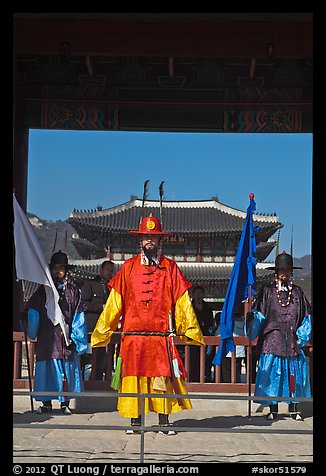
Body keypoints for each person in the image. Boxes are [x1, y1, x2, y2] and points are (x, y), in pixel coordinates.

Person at [91, 214, 205, 435]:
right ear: (140, 240)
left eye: (153, 237)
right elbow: (115, 301)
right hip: (133, 336)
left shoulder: (170, 268)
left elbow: (182, 299)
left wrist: (189, 328)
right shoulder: (128, 267)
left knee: (162, 377)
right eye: (145, 236)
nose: (149, 240)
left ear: (160, 240)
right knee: (133, 378)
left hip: (160, 336)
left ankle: (164, 421)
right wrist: (103, 330)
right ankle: (135, 422)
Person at [246, 251, 312, 421]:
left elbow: (306, 317)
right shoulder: (267, 291)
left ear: (291, 272)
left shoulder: (297, 293)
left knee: (295, 376)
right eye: (281, 270)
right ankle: (273, 409)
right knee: (272, 375)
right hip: (272, 339)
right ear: (276, 272)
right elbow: (259, 315)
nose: (284, 273)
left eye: (287, 270)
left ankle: (294, 409)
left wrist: (301, 337)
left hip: (292, 339)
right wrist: (252, 319)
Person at [21, 250, 88, 414]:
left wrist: (77, 340)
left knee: (66, 371)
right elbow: (34, 312)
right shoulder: (43, 290)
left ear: (66, 271)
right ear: (50, 270)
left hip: (66, 340)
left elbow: (79, 317)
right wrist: (29, 321)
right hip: (47, 339)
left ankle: (65, 404)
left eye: (61, 268)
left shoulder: (73, 291)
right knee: (46, 371)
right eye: (55, 268)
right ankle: (46, 404)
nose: (58, 272)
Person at [81, 260, 115, 380]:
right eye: (107, 270)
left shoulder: (113, 288)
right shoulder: (90, 284)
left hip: (106, 327)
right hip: (92, 326)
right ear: (101, 270)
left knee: (104, 357)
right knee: (90, 356)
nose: (109, 273)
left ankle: (100, 381)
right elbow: (83, 304)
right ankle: (87, 381)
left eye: (112, 270)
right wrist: (100, 307)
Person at [189, 285, 216, 382]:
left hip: (204, 336)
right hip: (192, 337)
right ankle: (191, 377)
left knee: (205, 358)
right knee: (192, 358)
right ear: (192, 295)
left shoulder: (207, 309)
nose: (198, 295)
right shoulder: (189, 307)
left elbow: (210, 323)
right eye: (196, 293)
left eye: (200, 293)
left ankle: (204, 377)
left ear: (204, 295)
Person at [215, 305, 246, 383]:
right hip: (239, 351)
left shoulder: (226, 321)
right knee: (236, 370)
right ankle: (237, 386)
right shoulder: (243, 322)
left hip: (227, 350)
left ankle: (228, 386)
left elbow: (218, 333)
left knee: (226, 373)